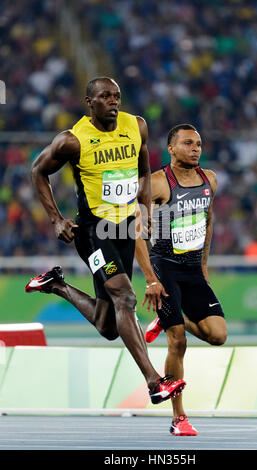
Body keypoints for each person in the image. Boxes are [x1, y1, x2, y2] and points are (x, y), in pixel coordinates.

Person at [25, 77, 185, 405]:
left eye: (117, 96)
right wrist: (56, 218)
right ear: (89, 102)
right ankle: (155, 382)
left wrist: (144, 210)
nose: (113, 101)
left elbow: (143, 171)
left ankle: (56, 285)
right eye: (105, 96)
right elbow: (37, 171)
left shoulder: (136, 126)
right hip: (94, 230)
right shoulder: (73, 140)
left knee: (109, 326)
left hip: (124, 229)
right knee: (125, 298)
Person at [135, 123, 227, 435]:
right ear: (171, 149)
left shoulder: (209, 180)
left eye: (199, 143)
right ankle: (179, 418)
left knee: (218, 335)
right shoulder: (158, 183)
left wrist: (203, 268)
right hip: (165, 268)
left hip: (192, 269)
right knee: (179, 341)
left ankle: (167, 316)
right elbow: (137, 231)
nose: (196, 148)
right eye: (188, 143)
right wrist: (150, 278)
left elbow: (208, 221)